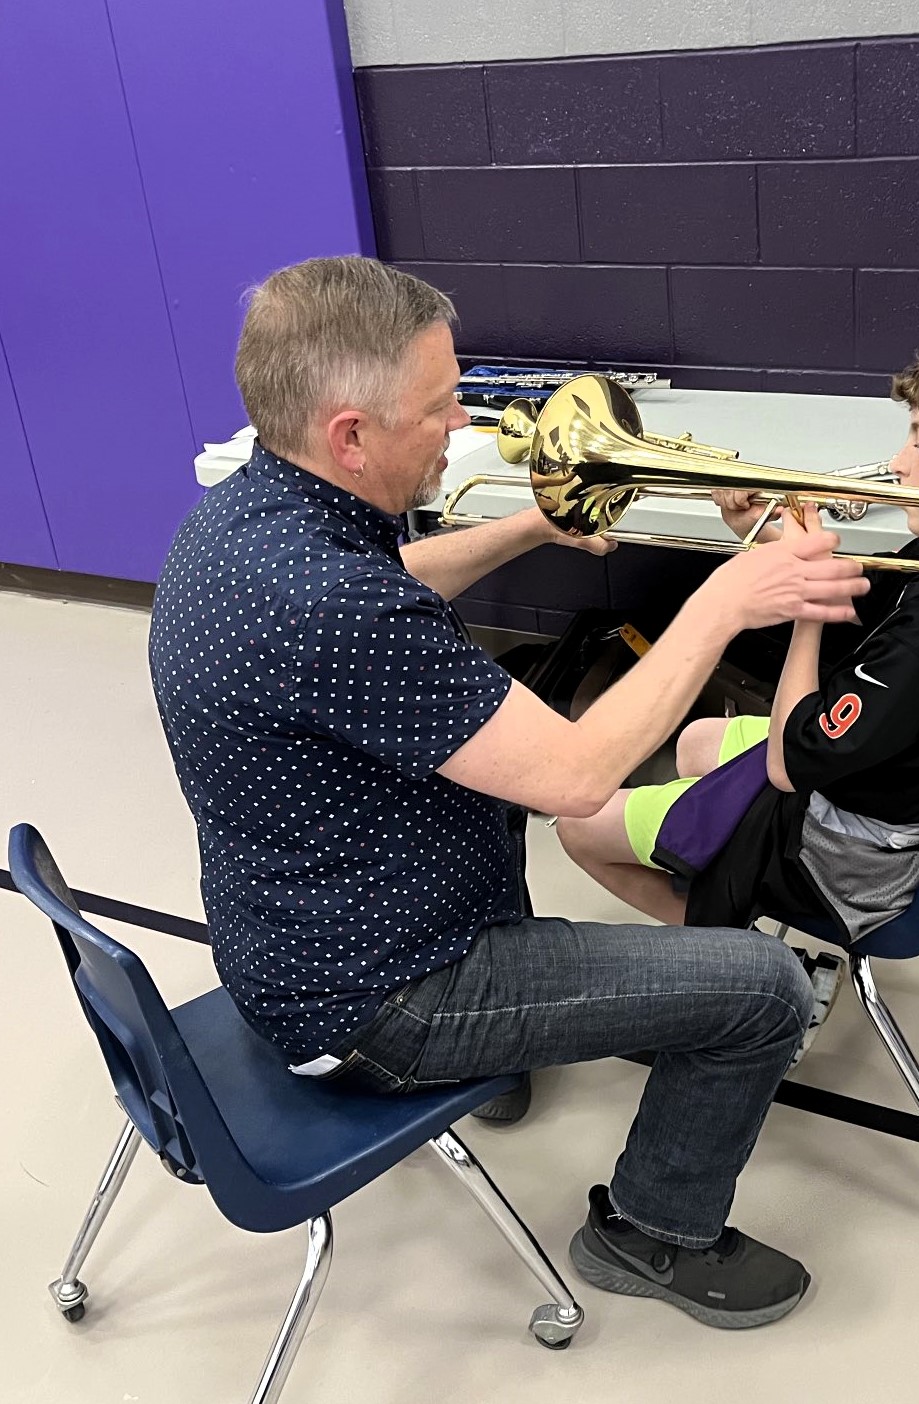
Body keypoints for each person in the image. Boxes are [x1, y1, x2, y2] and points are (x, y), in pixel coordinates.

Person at [148, 256, 869, 1330]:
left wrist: (534, 527)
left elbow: (397, 581)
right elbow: (578, 779)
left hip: (297, 934)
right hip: (389, 989)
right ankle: (651, 1230)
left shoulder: (249, 517)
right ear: (349, 435)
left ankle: (506, 1060)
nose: (464, 427)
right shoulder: (332, 605)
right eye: (442, 408)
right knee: (764, 988)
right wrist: (721, 603)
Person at [557, 328, 919, 969]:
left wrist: (804, 615)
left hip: (851, 856)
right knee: (697, 740)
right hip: (907, 783)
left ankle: (737, 970)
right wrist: (774, 547)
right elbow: (867, 614)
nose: (899, 461)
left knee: (576, 825)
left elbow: (790, 765)